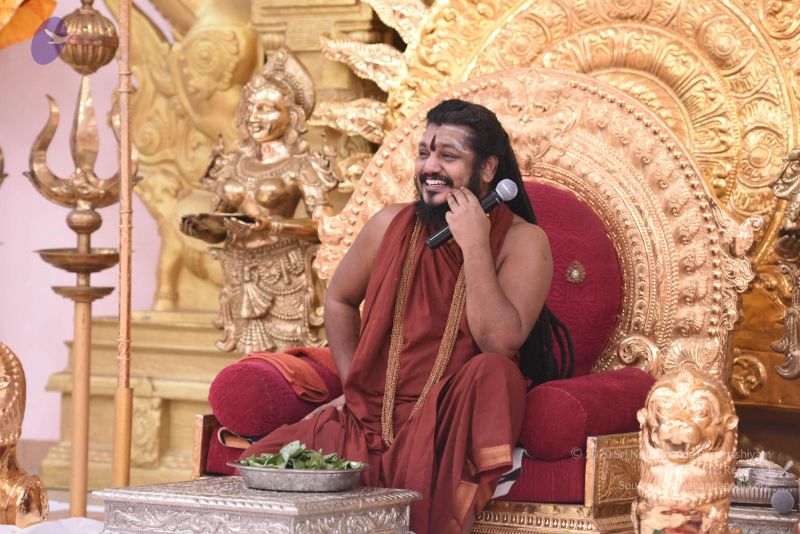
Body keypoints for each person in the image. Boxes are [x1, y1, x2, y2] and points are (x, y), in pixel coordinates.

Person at [240, 99, 573, 533]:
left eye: (448, 155)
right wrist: (353, 384)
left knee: (494, 372)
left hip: (447, 421)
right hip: (369, 418)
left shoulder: (523, 241)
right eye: (423, 153)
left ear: (488, 168)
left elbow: (500, 341)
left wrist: (475, 243)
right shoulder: (388, 224)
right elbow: (339, 299)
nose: (429, 167)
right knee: (258, 472)